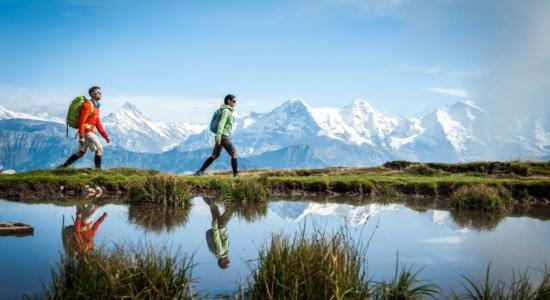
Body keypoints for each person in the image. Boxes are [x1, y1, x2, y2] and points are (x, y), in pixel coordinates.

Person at [58, 86, 111, 169]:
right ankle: (98, 171)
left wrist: (106, 136)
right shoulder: (87, 105)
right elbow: (82, 121)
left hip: (88, 132)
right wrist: (81, 137)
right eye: (98, 92)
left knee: (81, 153)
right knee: (99, 149)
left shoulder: (96, 106)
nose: (100, 94)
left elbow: (98, 123)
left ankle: (62, 167)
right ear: (92, 94)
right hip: (87, 132)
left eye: (100, 92)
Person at [195, 94, 239, 177]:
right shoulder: (226, 111)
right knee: (234, 153)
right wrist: (218, 138)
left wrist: (218, 138)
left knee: (215, 155)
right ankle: (236, 175)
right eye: (234, 101)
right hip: (224, 136)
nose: (235, 103)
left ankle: (200, 172)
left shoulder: (226, 110)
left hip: (222, 136)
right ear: (228, 101)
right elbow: (221, 124)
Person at [203, 198, 233, 269]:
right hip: (219, 227)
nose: (229, 260)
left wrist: (215, 226)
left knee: (232, 208)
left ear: (222, 262)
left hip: (220, 226)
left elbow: (217, 239)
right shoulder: (217, 252)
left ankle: (226, 195)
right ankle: (204, 195)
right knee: (214, 207)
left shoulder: (220, 252)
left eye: (227, 262)